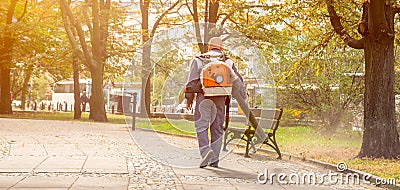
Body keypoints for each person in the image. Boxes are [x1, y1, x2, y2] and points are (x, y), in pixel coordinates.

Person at [185, 37, 246, 168]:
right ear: (221, 48)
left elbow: (191, 82)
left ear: (209, 47)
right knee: (217, 128)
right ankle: (215, 160)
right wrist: (243, 95)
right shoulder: (228, 61)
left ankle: (206, 151)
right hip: (221, 98)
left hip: (203, 97)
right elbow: (238, 80)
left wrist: (188, 99)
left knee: (201, 126)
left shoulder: (199, 59)